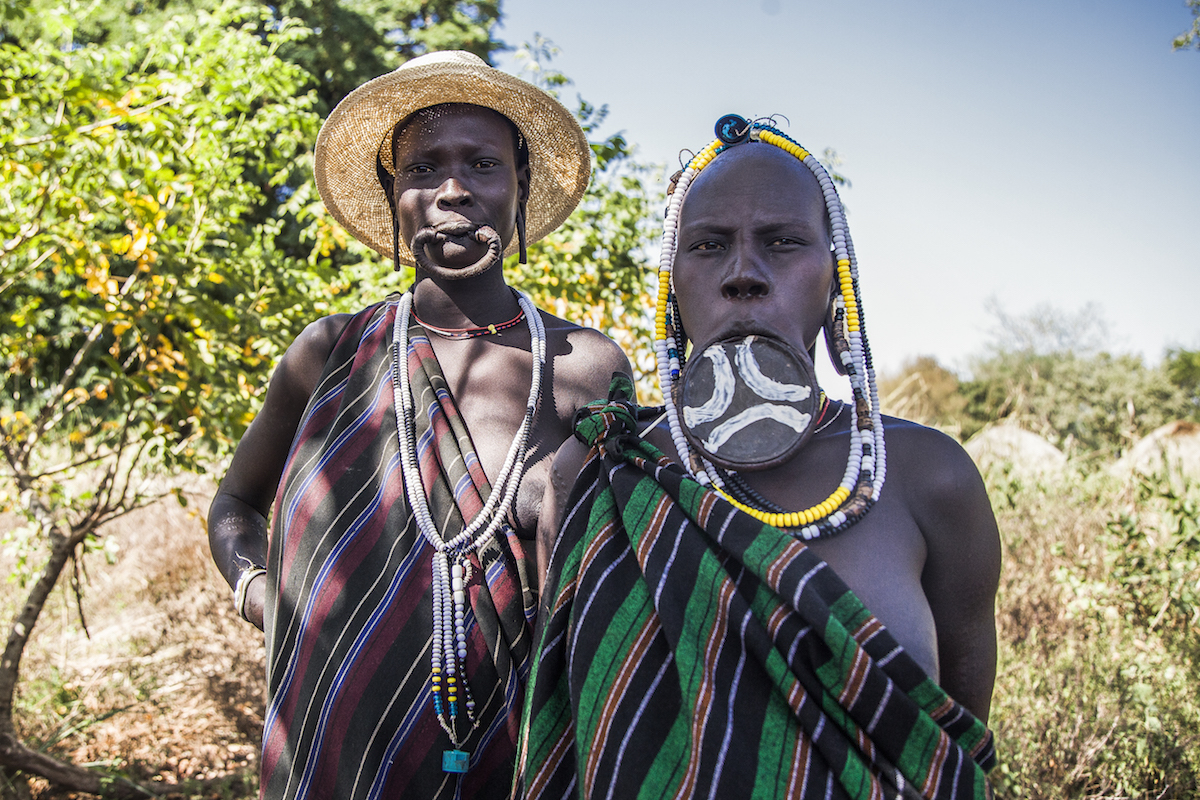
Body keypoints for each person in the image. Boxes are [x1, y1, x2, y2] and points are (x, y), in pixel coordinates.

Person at [518, 116, 1001, 799]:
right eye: (709, 246)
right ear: (673, 286)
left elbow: (951, 755)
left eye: (783, 242)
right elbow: (570, 731)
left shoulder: (928, 477)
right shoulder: (599, 475)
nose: (744, 273)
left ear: (835, 280)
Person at [206, 51, 631, 800]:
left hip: (523, 747)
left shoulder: (585, 368)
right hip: (334, 747)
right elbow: (235, 503)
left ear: (521, 187)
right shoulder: (329, 354)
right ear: (393, 193)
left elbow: (621, 564)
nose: (454, 190)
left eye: (482, 165)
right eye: (423, 169)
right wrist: (265, 599)